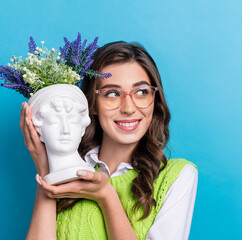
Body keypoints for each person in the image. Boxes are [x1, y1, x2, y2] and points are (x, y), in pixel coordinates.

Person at [21, 41, 198, 240]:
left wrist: (106, 196)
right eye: (112, 94)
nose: (129, 108)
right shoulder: (66, 172)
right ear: (93, 105)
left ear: (155, 100)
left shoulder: (177, 176)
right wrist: (47, 172)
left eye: (141, 92)